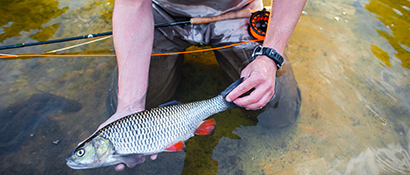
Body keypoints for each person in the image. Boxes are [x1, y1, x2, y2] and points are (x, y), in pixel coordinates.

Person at [100, 0, 306, 172]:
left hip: (238, 9)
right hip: (159, 12)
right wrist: (130, 104)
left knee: (278, 112)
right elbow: (132, 5)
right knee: (127, 115)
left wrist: (270, 55)